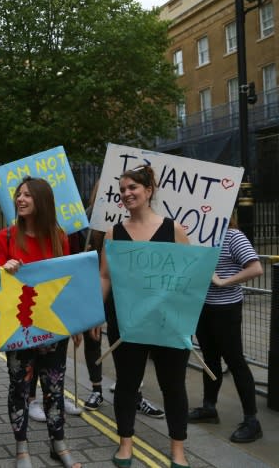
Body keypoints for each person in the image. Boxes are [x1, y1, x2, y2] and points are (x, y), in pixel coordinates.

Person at [92, 165, 190, 468]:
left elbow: (188, 273)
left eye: (132, 187)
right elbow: (105, 275)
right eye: (122, 190)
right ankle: (125, 444)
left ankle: (178, 449)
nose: (126, 194)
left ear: (149, 191)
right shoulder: (113, 233)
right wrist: (96, 313)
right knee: (126, 383)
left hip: (167, 323)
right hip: (127, 322)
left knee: (173, 385)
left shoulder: (174, 229)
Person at [0, 177, 82, 468]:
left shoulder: (59, 236)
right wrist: (3, 270)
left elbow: (64, 284)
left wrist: (76, 322)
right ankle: (21, 449)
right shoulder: (4, 237)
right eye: (18, 194)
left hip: (53, 327)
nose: (20, 199)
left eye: (27, 195)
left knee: (54, 387)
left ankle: (59, 444)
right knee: (19, 387)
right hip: (18, 326)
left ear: (41, 201)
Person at [188, 209, 264, 443]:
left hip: (226, 309)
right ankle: (209, 408)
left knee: (235, 361)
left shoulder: (233, 236)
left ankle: (252, 421)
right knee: (210, 360)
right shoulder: (198, 234)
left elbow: (256, 268)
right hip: (203, 307)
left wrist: (223, 282)